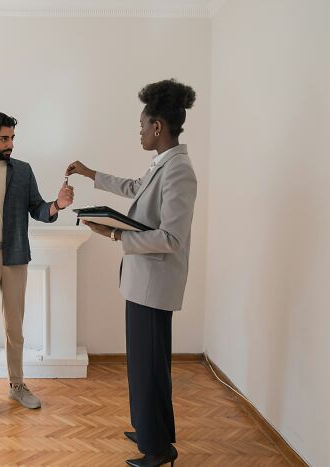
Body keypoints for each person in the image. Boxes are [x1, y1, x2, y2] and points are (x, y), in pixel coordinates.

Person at [66, 79, 197, 467]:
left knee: (151, 367)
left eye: (142, 124)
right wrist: (92, 174)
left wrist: (114, 234)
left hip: (155, 285)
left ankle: (158, 450)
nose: (139, 131)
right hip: (142, 283)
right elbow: (135, 188)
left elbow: (171, 238)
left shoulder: (180, 172)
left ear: (158, 126)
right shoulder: (162, 165)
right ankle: (150, 430)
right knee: (142, 365)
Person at [0, 112, 74, 419]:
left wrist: (57, 205)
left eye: (12, 138)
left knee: (15, 327)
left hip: (14, 255)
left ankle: (17, 384)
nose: (10, 144)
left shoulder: (23, 171)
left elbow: (38, 208)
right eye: (3, 138)